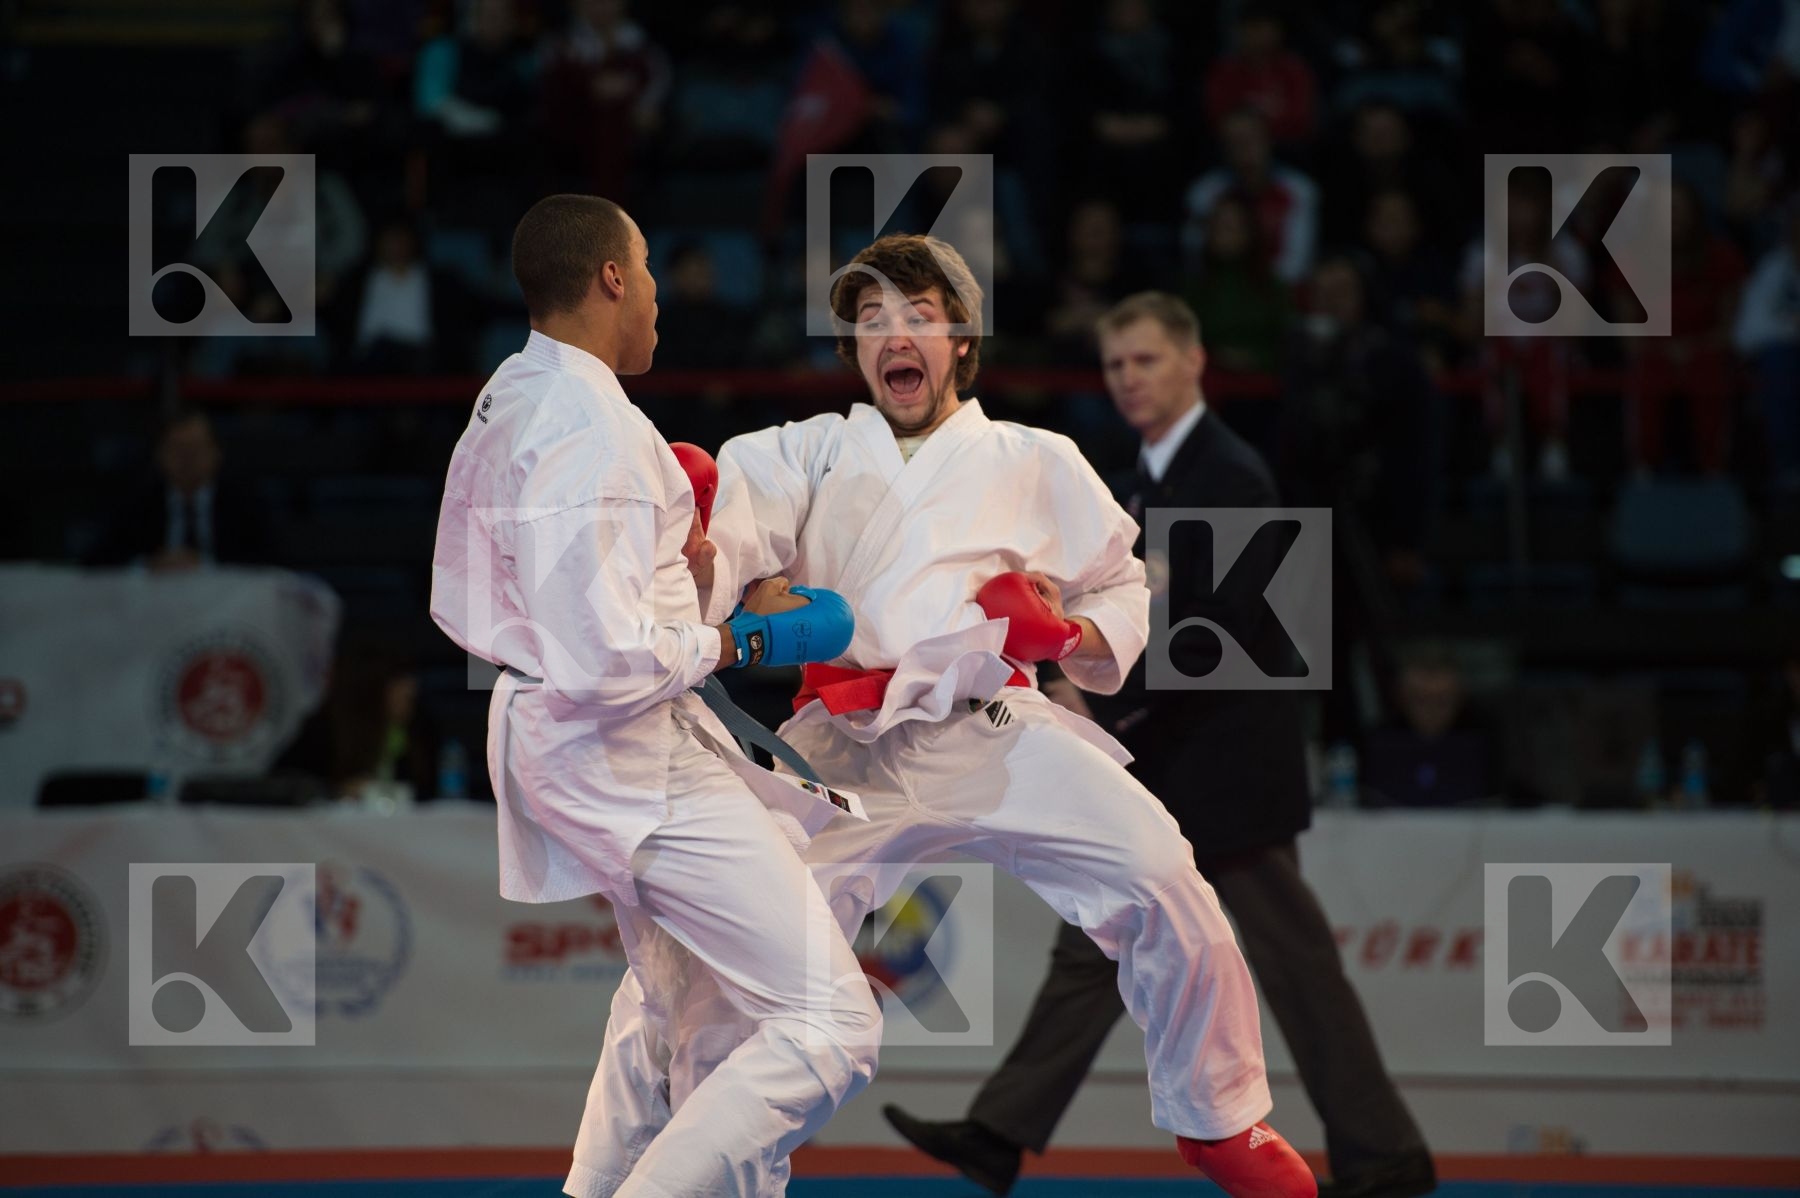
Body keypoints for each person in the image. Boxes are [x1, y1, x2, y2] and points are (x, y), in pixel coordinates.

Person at [576, 237, 1316, 1198]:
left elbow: (1122, 588)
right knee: (693, 963)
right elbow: (717, 570)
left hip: (992, 726)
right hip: (843, 749)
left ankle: (1221, 1120)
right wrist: (721, 554)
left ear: (962, 340)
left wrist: (1070, 631)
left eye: (919, 315)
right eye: (871, 321)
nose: (895, 335)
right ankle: (649, 1178)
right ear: (852, 351)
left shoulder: (1035, 459)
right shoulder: (804, 449)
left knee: (1163, 873)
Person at [883, 292, 1434, 1198]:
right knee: (1093, 950)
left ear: (1193, 362)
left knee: (1294, 970)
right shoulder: (1142, 477)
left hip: (1229, 775)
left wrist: (1100, 688)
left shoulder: (1233, 473)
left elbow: (1221, 634)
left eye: (1145, 361)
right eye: (1115, 367)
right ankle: (999, 1129)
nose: (1129, 380)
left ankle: (1388, 1155)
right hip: (1172, 762)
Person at [428, 194, 880, 1198]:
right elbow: (604, 657)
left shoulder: (512, 391)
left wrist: (707, 584)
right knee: (832, 1021)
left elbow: (489, 597)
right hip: (624, 749)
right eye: (651, 269)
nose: (664, 296)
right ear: (613, 277)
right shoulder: (599, 433)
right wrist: (741, 635)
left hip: (569, 731)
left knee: (684, 1006)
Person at [87, 407, 272, 570]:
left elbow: (275, 562)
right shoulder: (138, 503)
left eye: (196, 449)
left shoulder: (244, 503)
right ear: (159, 454)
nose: (187, 459)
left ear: (217, 453)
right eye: (177, 449)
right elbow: (96, 563)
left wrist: (207, 566)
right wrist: (147, 566)